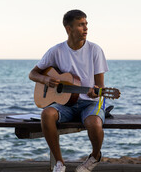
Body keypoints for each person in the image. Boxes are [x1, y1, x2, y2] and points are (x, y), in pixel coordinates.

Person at [29, 9, 109, 172]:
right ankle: (59, 163)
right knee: (46, 114)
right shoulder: (56, 51)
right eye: (80, 25)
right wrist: (46, 79)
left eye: (86, 24)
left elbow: (100, 87)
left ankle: (94, 157)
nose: (86, 28)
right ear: (68, 28)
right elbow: (33, 74)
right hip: (65, 103)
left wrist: (96, 91)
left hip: (90, 102)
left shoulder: (95, 50)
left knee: (93, 123)